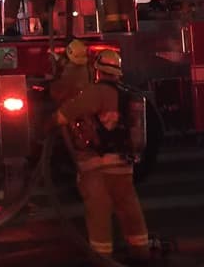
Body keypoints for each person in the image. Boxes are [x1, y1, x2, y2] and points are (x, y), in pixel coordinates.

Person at [55, 48, 151, 263]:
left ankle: (103, 260)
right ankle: (142, 254)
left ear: (97, 71)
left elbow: (64, 115)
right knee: (130, 212)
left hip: (96, 168)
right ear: (118, 72)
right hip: (124, 167)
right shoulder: (128, 95)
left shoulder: (95, 93)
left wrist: (49, 123)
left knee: (99, 216)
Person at [50, 38, 92, 104]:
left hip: (70, 104)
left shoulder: (69, 67)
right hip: (84, 101)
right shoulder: (88, 67)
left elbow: (63, 62)